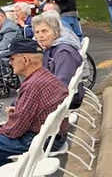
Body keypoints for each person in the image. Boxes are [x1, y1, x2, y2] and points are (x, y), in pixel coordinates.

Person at [0, 37, 68, 165]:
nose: (10, 62)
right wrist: (18, 112)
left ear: (25, 60)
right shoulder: (45, 76)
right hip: (53, 136)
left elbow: (16, 130)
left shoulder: (33, 85)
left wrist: (4, 127)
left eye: (12, 58)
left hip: (40, 140)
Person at [32, 12, 85, 107]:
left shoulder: (64, 52)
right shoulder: (50, 48)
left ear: (55, 32)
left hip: (65, 100)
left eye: (44, 31)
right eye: (37, 32)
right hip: (58, 96)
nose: (40, 36)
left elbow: (62, 84)